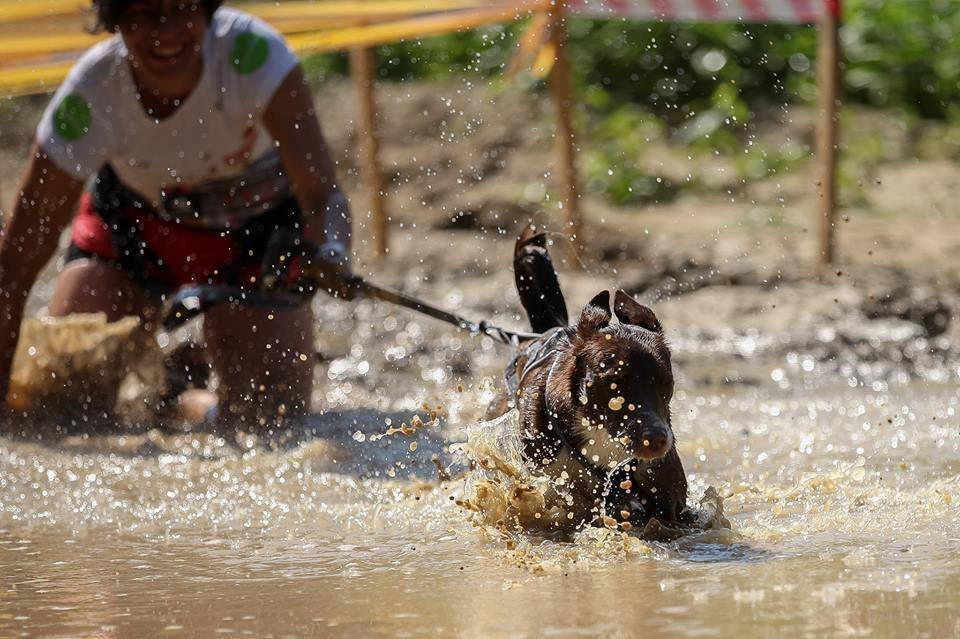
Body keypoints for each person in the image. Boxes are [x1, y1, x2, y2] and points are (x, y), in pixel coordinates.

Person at [0, 0, 352, 427]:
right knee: (60, 403)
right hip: (134, 230)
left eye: (182, 8)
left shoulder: (258, 57)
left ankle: (181, 397)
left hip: (259, 235)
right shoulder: (90, 94)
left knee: (268, 420)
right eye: (143, 13)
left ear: (208, 12)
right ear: (116, 22)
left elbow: (321, 196)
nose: (165, 31)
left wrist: (331, 253)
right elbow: (14, 268)